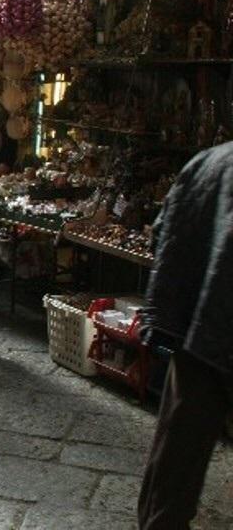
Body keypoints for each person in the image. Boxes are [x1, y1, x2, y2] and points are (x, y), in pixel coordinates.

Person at [137, 142, 233, 529]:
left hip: (197, 330)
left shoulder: (210, 161)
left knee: (177, 451)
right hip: (208, 325)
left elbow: (164, 233)